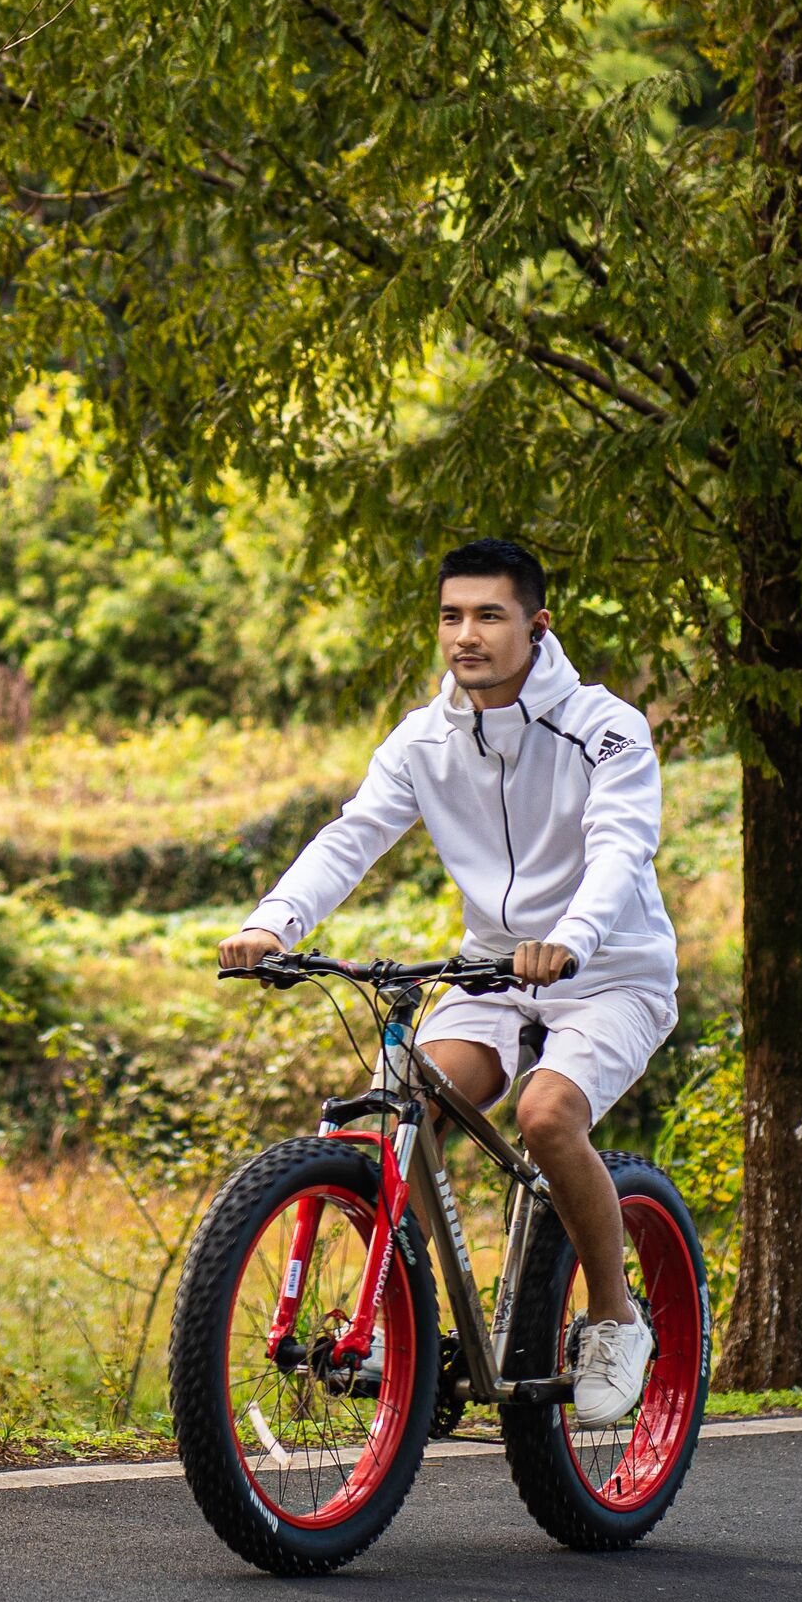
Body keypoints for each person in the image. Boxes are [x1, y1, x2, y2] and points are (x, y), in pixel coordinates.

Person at [218, 537, 676, 1424]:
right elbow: (352, 837)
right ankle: (405, 1318)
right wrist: (272, 922)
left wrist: (572, 939)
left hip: (610, 972)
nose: (466, 634)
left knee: (547, 1117)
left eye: (489, 615)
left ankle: (617, 1318)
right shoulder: (422, 740)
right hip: (490, 974)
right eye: (451, 616)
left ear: (537, 626)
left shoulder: (605, 726)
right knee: (403, 1103)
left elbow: (623, 849)